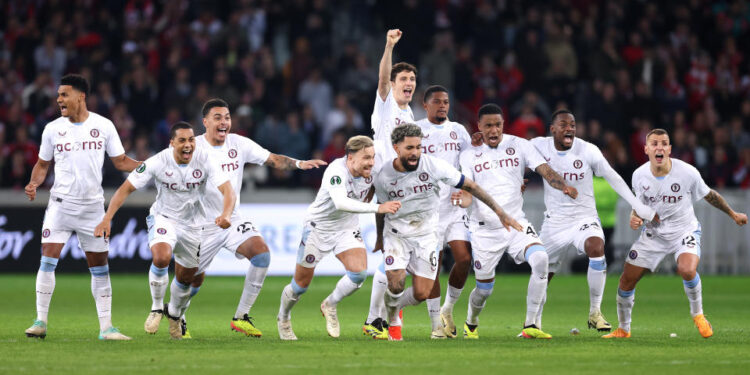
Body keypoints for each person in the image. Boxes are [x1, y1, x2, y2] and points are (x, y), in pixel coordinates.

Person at [143, 98, 326, 338]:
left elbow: (273, 159)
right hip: (199, 225)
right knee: (191, 283)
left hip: (232, 220)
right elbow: (162, 165)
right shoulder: (191, 145)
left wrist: (300, 163)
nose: (224, 122)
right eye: (218, 117)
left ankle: (241, 316)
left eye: (227, 117)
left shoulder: (239, 143)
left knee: (261, 254)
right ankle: (177, 314)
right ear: (205, 122)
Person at [376, 123, 523, 341]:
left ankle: (394, 308)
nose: (415, 152)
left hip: (426, 234)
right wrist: (380, 237)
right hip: (397, 234)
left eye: (418, 147)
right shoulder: (384, 175)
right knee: (396, 282)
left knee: (421, 293)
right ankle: (393, 323)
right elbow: (380, 208)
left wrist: (500, 212)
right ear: (396, 148)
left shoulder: (433, 166)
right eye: (409, 148)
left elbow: (471, 186)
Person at [24, 74, 139, 341]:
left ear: (81, 96)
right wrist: (33, 183)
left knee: (99, 266)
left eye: (64, 94)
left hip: (92, 209)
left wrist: (149, 166)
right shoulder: (52, 129)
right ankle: (40, 321)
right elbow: (43, 165)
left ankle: (106, 328)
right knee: (48, 258)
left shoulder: (104, 125)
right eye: (58, 95)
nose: (59, 99)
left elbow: (121, 161)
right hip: (60, 206)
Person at [94, 122, 236, 340]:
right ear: (172, 143)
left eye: (191, 140)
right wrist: (106, 219)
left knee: (187, 278)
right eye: (182, 140)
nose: (188, 145)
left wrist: (226, 214)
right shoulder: (158, 161)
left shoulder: (205, 160)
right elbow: (126, 189)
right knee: (161, 257)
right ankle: (157, 307)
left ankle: (175, 315)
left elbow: (228, 190)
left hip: (192, 225)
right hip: (164, 218)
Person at [603, 128, 747, 339]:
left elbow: (710, 195)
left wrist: (733, 214)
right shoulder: (639, 175)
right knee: (626, 280)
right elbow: (639, 205)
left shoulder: (687, 172)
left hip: (684, 231)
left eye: (663, 143)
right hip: (653, 235)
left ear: (669, 149)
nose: (659, 147)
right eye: (654, 143)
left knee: (687, 270)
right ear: (646, 149)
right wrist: (635, 217)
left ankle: (698, 315)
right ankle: (624, 329)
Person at [454, 104, 577, 339]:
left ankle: (531, 325)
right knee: (483, 290)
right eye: (488, 125)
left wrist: (564, 186)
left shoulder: (520, 145)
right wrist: (462, 201)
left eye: (497, 125)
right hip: (485, 230)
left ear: (503, 125)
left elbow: (546, 171)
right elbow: (469, 192)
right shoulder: (469, 155)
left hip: (515, 222)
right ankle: (471, 321)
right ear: (479, 126)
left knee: (541, 259)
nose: (493, 130)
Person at [530, 109, 656, 332]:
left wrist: (638, 205)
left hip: (583, 217)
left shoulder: (588, 150)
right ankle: (533, 323)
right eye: (563, 125)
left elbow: (613, 177)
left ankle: (595, 312)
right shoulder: (538, 145)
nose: (569, 128)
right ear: (552, 130)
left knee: (596, 247)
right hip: (554, 222)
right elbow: (511, 151)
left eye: (572, 125)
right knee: (542, 271)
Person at [277, 136, 401, 340]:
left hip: (346, 228)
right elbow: (341, 203)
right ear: (350, 158)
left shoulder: (373, 168)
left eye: (372, 157)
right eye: (366, 158)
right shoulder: (336, 172)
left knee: (359, 273)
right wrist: (378, 207)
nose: (371, 162)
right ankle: (283, 317)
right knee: (300, 286)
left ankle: (330, 304)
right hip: (318, 229)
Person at [363, 28, 418, 339]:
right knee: (391, 256)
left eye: (412, 80)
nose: (408, 84)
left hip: (400, 189)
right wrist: (388, 45)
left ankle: (380, 318)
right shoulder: (386, 105)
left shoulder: (409, 113)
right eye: (404, 80)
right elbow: (383, 78)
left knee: (394, 257)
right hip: (382, 187)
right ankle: (379, 318)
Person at [413, 85, 472, 338]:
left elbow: (471, 162)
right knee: (432, 268)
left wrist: (468, 192)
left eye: (446, 101)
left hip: (455, 206)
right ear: (425, 105)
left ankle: (448, 308)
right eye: (437, 102)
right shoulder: (415, 130)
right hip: (428, 209)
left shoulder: (459, 131)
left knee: (464, 259)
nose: (443, 106)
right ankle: (436, 324)